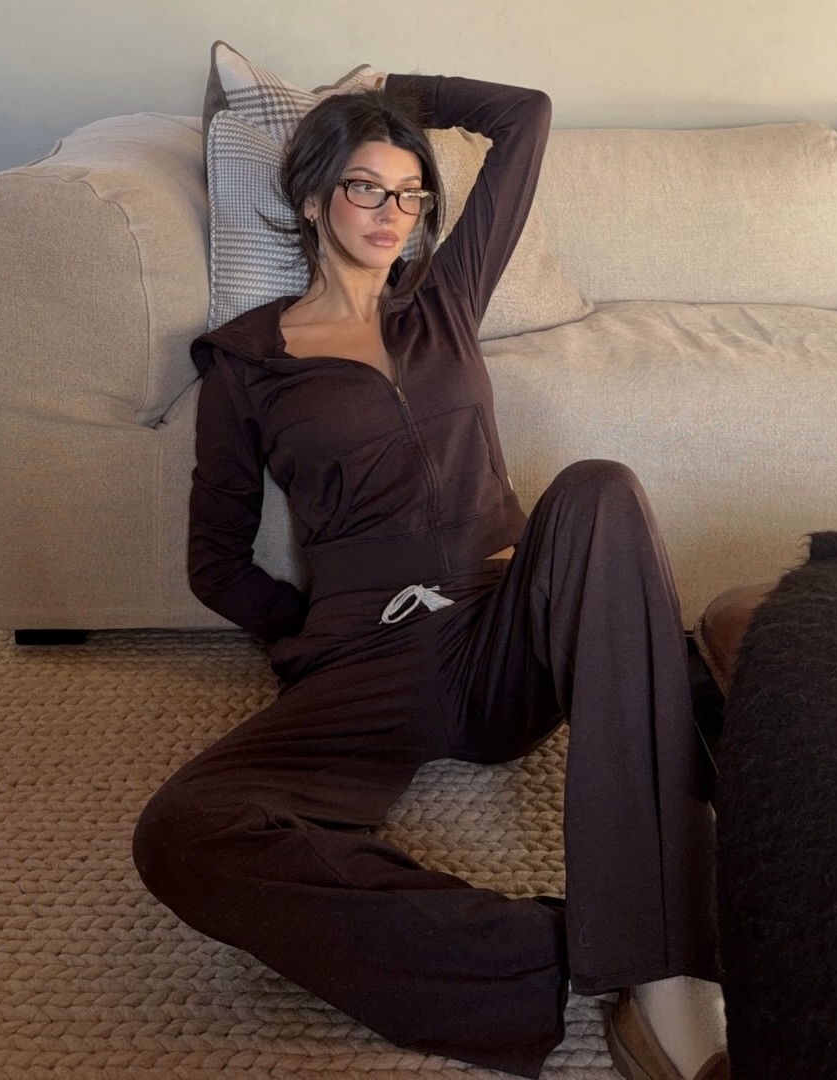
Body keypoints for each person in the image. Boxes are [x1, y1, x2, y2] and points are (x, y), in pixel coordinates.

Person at [133, 72, 728, 1080]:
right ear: (312, 198)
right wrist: (314, 628)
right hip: (365, 662)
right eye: (367, 187)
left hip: (502, 636)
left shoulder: (443, 301)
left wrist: (393, 92)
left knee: (601, 488)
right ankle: (540, 954)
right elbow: (214, 562)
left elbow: (525, 117)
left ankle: (668, 959)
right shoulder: (246, 365)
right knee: (183, 833)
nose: (392, 213)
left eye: (410, 195)